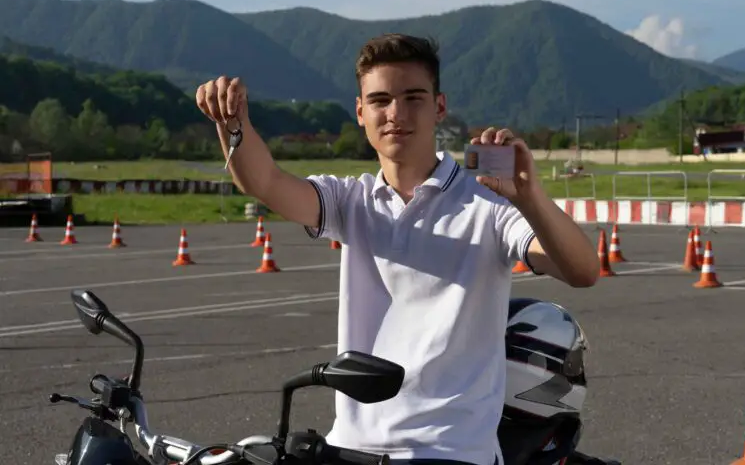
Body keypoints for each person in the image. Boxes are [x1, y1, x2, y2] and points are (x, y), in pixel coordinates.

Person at [196, 33, 600, 465]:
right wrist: (232, 124)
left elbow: (581, 270)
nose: (396, 114)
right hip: (350, 446)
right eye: (380, 100)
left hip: (451, 452)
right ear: (360, 112)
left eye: (413, 98)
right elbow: (266, 182)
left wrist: (531, 197)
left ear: (439, 107)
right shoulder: (350, 200)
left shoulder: (487, 201)